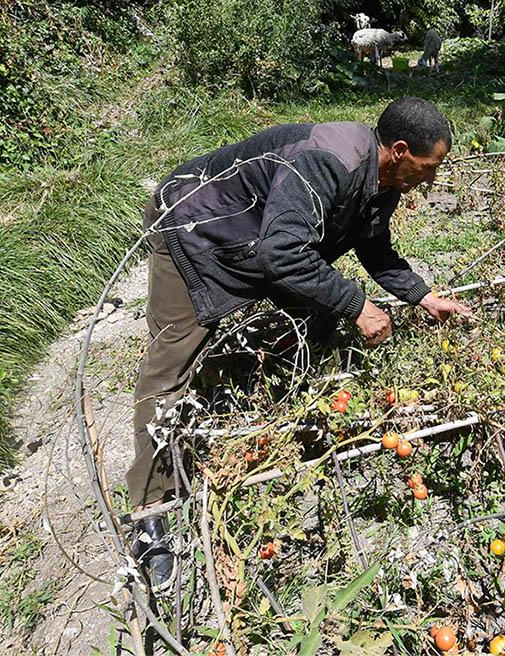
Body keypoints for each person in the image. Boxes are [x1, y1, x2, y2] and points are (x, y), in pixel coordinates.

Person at [126, 97, 470, 590]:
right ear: (399, 150)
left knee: (312, 306)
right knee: (172, 361)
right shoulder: (326, 162)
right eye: (429, 167)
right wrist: (356, 305)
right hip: (194, 229)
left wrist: (422, 295)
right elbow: (282, 254)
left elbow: (372, 247)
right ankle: (150, 513)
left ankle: (271, 393)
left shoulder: (383, 180)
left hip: (253, 240)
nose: (432, 179)